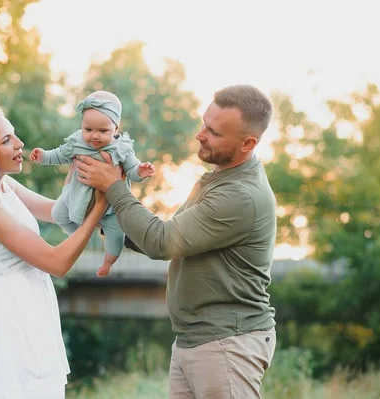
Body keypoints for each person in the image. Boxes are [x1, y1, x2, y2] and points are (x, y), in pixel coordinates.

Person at [74, 84, 277, 398]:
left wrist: (115, 187)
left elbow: (162, 242)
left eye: (213, 131)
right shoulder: (218, 179)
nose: (199, 134)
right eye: (203, 123)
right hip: (194, 341)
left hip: (226, 345)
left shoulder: (240, 195)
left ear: (248, 142)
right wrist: (107, 222)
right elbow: (169, 240)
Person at [0, 109, 108, 399]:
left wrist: (80, 164)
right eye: (7, 140)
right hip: (12, 312)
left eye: (14, 134)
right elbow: (56, 262)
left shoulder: (5, 186)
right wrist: (101, 206)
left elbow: (61, 213)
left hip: (32, 301)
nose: (19, 143)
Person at [29, 90, 155, 277]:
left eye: (103, 131)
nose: (94, 136)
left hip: (109, 206)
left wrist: (140, 172)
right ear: (82, 126)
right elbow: (59, 154)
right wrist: (43, 156)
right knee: (58, 213)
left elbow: (130, 169)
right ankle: (79, 237)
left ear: (116, 129)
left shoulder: (121, 149)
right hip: (76, 196)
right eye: (88, 129)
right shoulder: (77, 142)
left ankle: (108, 262)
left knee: (116, 237)